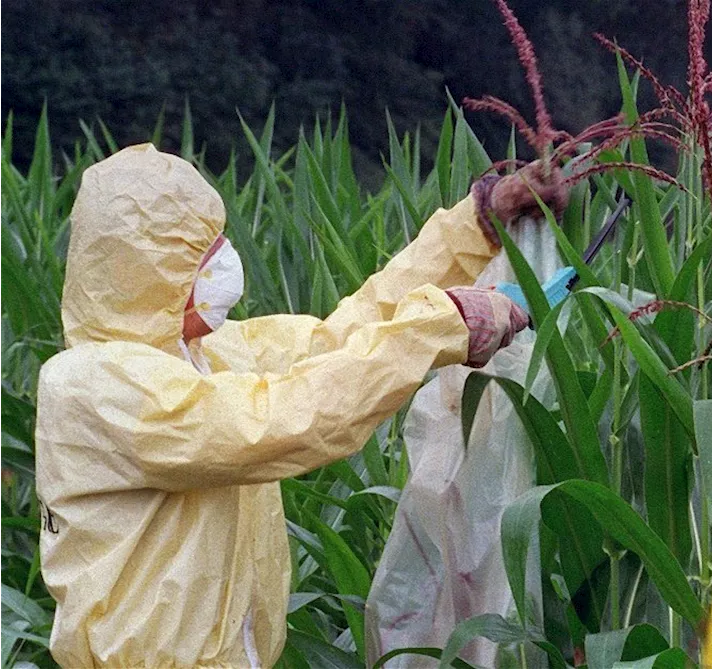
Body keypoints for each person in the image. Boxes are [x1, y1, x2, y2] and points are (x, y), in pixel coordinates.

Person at [34, 143, 567, 667]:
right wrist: (444, 325)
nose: (221, 268)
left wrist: (474, 228)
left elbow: (343, 337)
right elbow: (278, 421)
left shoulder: (205, 357)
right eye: (198, 259)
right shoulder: (93, 388)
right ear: (146, 275)